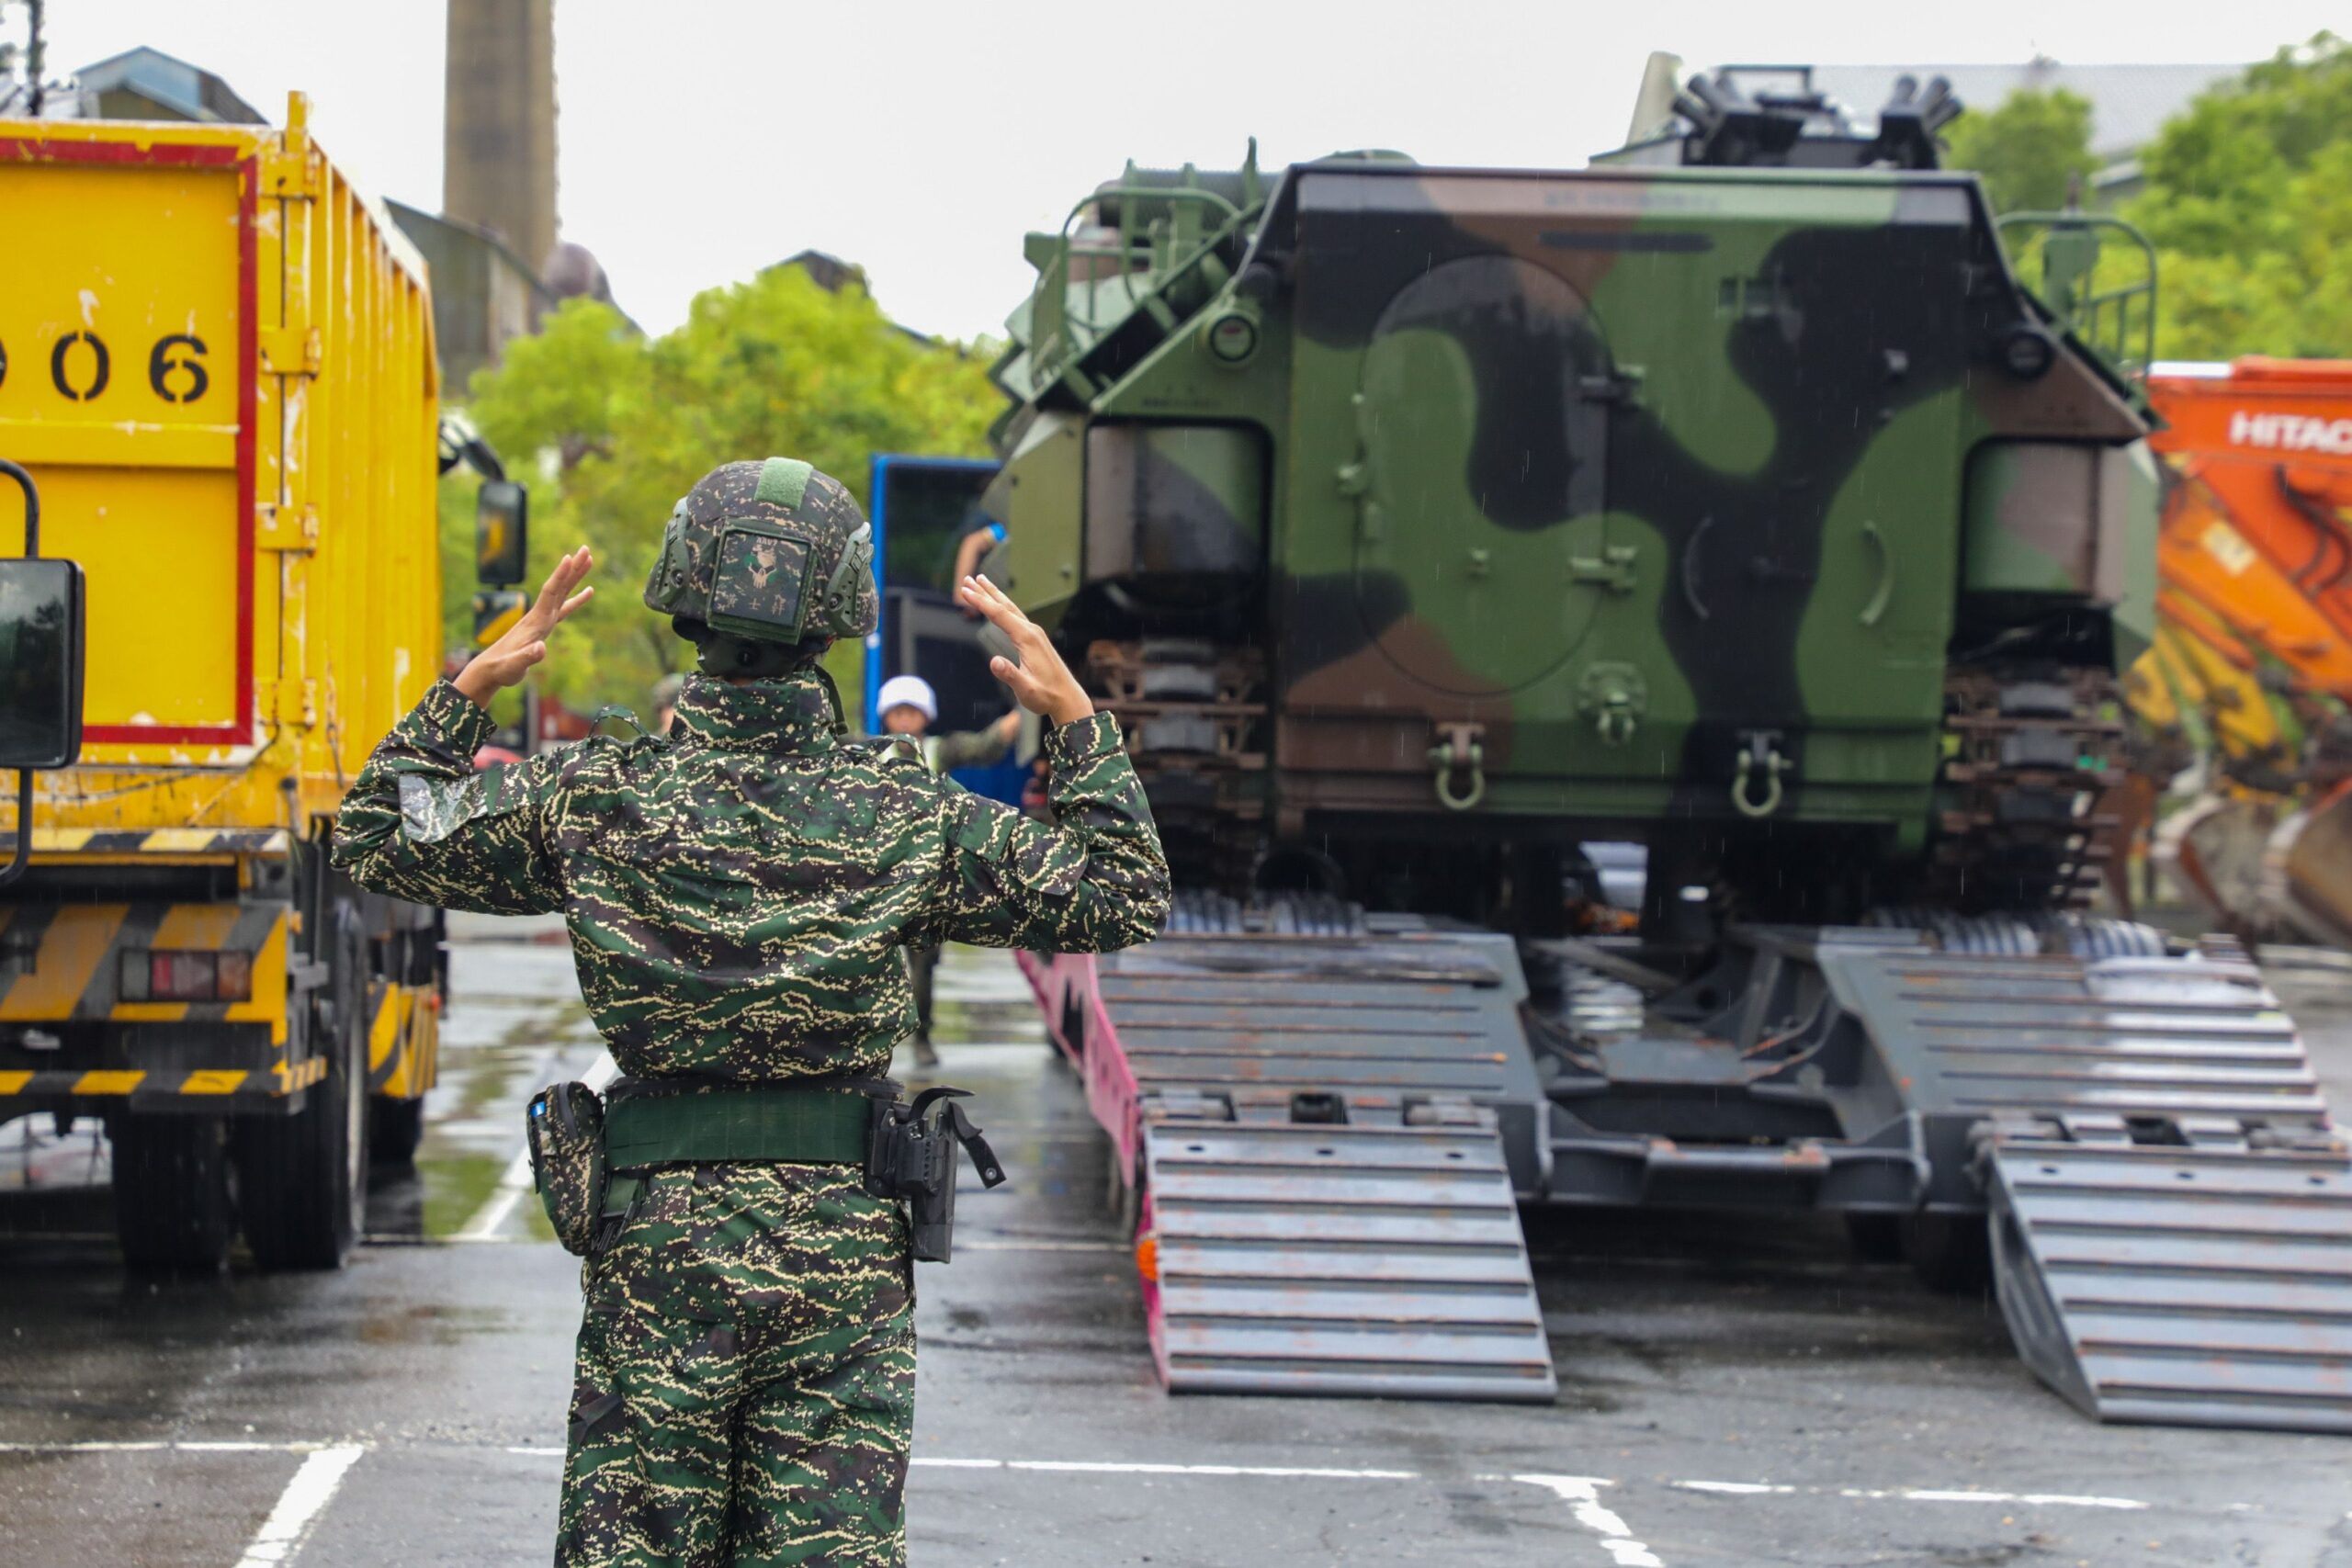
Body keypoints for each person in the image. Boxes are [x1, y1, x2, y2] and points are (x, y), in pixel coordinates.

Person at [330, 457, 1169, 1567]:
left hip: (656, 1236)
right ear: (837, 612)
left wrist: (467, 689)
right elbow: (1125, 891)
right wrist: (1074, 720)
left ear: (683, 593)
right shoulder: (902, 805)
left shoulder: (593, 794)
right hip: (843, 1246)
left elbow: (375, 831)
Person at [873, 673, 1022, 1065]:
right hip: (880, 874)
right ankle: (871, 1042)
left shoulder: (940, 750)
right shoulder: (867, 753)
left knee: (923, 964)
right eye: (898, 712)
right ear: (886, 716)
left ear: (926, 717)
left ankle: (922, 1037)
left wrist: (1025, 710)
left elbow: (987, 746)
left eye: (913, 712)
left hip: (927, 875)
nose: (905, 720)